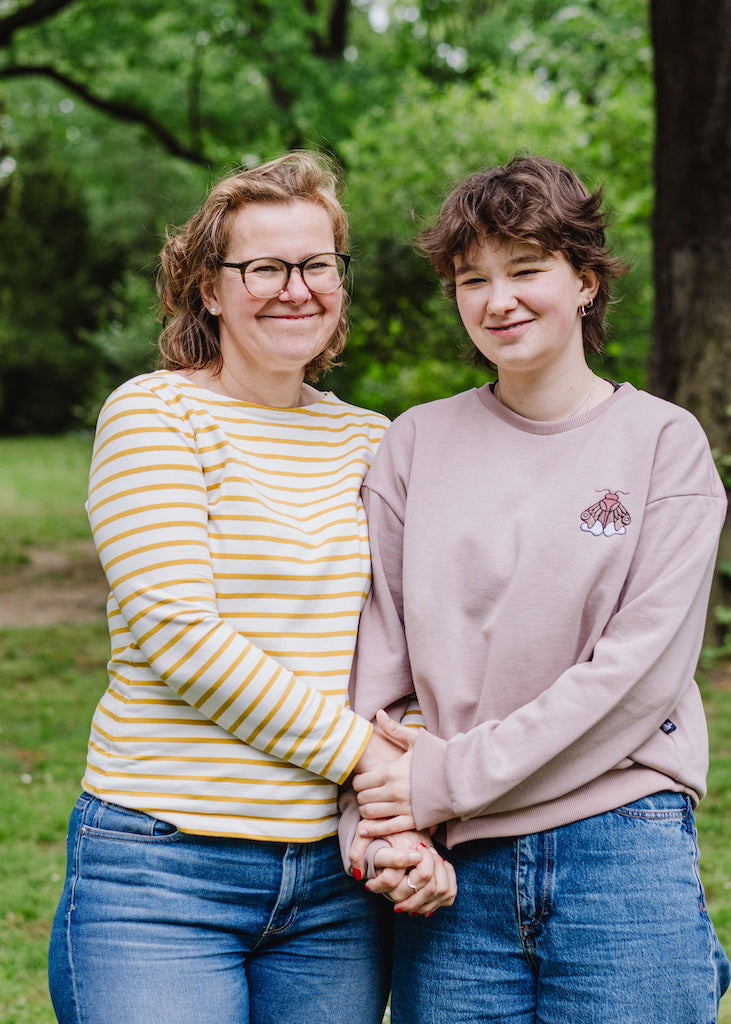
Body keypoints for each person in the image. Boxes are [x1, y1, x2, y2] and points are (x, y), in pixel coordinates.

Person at [47, 151, 454, 1024]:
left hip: (334, 888)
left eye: (317, 265)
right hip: (161, 869)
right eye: (263, 267)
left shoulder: (376, 441)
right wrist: (370, 758)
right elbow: (183, 638)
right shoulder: (156, 414)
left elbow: (404, 647)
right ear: (208, 287)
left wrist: (399, 798)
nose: (294, 289)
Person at [347, 155, 731, 1022]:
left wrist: (441, 780)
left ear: (586, 282)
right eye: (471, 278)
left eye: (526, 270)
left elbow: (634, 678)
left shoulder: (663, 447)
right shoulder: (412, 447)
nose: (497, 300)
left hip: (618, 849)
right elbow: (378, 670)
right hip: (455, 873)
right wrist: (389, 830)